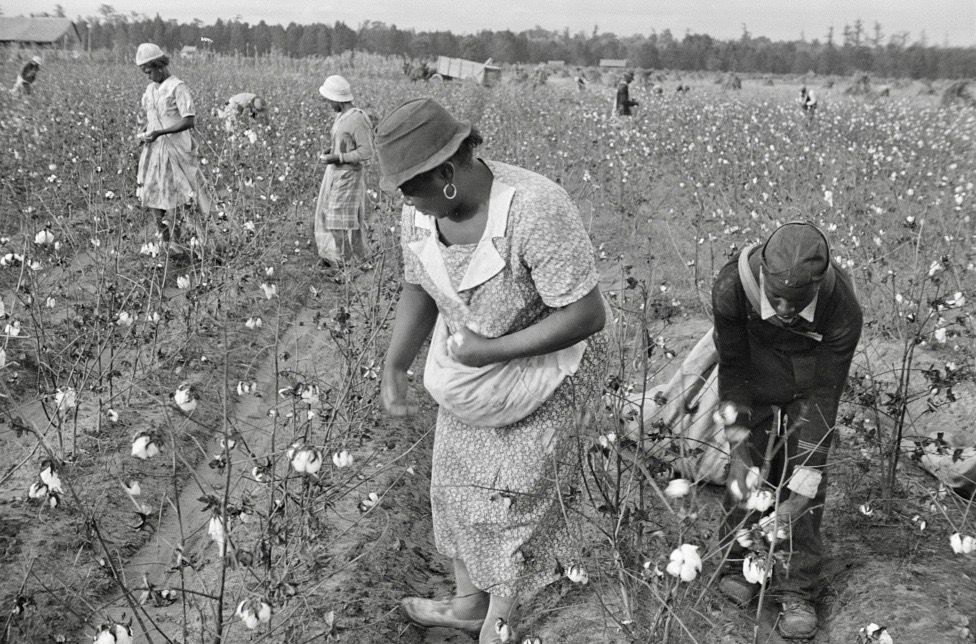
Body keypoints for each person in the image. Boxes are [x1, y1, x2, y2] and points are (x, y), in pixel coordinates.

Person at [376, 98, 609, 644]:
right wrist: (395, 364)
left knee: (514, 504)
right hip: (477, 368)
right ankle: (466, 606)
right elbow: (419, 286)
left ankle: (499, 626)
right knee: (457, 488)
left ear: (448, 171)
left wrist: (494, 351)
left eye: (412, 186)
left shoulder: (534, 209)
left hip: (548, 370)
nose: (406, 200)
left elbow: (586, 313)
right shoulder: (420, 210)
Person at [712, 222, 862, 640]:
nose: (781, 307)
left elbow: (826, 392)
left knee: (803, 485)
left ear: (816, 289)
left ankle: (796, 586)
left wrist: (807, 474)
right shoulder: (732, 287)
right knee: (747, 473)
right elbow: (734, 368)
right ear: (760, 273)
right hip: (753, 379)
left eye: (794, 302)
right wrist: (739, 445)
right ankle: (738, 562)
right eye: (774, 296)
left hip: (808, 385)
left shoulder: (842, 307)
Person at [134, 43, 211, 252]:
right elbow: (153, 117)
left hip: (176, 149)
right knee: (153, 193)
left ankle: (202, 241)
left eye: (149, 71)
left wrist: (160, 132)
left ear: (159, 65)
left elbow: (189, 121)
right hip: (154, 151)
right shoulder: (150, 90)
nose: (148, 76)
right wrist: (147, 131)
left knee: (187, 196)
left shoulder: (178, 87)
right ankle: (167, 241)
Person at [313, 75, 374, 269]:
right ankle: (350, 260)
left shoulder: (357, 119)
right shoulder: (341, 117)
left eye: (329, 100)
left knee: (338, 222)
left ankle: (347, 262)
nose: (328, 104)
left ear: (337, 99)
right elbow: (346, 145)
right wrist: (331, 152)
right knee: (339, 220)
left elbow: (366, 151)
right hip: (338, 173)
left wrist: (338, 158)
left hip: (349, 175)